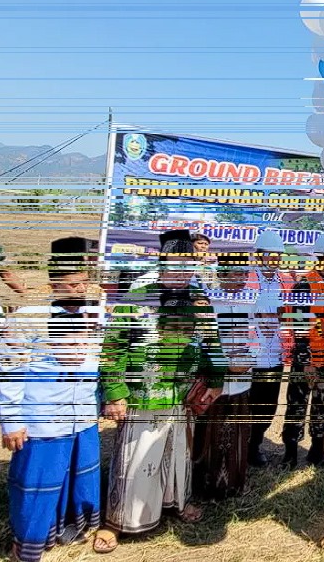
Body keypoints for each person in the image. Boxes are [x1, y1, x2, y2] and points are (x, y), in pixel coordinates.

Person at [94, 234, 226, 553]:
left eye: (188, 265)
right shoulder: (140, 296)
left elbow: (212, 342)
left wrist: (216, 380)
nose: (182, 272)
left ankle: (177, 504)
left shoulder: (198, 298)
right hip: (143, 395)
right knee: (135, 459)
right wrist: (114, 393)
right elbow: (113, 347)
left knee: (177, 455)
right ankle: (116, 522)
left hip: (182, 395)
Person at [0, 271, 103, 562]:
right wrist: (12, 421)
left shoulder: (95, 316)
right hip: (42, 418)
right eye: (72, 283)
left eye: (84, 281)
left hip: (82, 416)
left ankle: (68, 530)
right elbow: (9, 371)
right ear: (53, 284)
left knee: (78, 479)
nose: (81, 288)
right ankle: (28, 545)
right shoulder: (27, 319)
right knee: (39, 484)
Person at [281, 230, 324, 470]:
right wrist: (306, 362)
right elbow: (298, 330)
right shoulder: (304, 285)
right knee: (297, 404)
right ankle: (290, 454)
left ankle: (317, 451)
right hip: (307, 359)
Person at [193, 252, 256, 500]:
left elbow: (257, 337)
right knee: (210, 435)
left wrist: (251, 358)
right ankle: (205, 488)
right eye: (236, 274)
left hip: (241, 383)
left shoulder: (250, 303)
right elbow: (201, 342)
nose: (241, 279)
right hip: (215, 384)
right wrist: (227, 365)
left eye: (244, 274)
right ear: (221, 275)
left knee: (237, 435)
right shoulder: (208, 303)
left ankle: (233, 484)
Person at [246, 230, 293, 467]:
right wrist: (256, 315)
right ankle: (241, 446)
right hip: (249, 355)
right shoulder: (245, 278)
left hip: (275, 353)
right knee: (246, 402)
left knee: (268, 405)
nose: (274, 261)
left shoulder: (286, 281)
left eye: (278, 257)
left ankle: (255, 444)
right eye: (270, 256)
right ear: (259, 256)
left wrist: (281, 314)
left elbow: (294, 310)